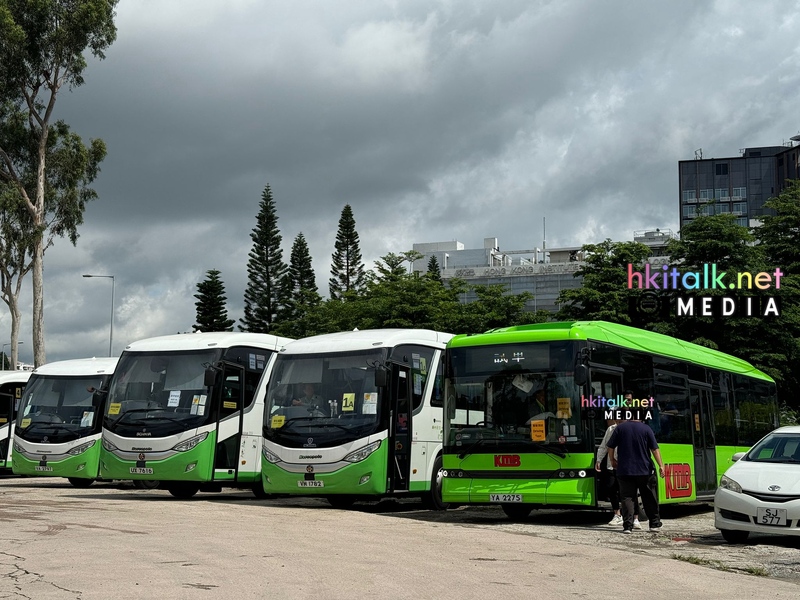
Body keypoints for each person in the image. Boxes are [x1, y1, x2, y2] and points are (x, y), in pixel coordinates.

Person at [606, 404, 666, 534]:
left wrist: (612, 460)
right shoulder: (646, 429)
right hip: (644, 470)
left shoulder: (620, 428)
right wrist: (661, 465)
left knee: (627, 497)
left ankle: (628, 526)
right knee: (649, 497)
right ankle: (654, 524)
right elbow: (654, 449)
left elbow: (610, 447)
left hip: (624, 470)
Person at [596, 415, 643, 529]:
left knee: (631, 492)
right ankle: (617, 514)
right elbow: (604, 446)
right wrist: (599, 460)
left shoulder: (631, 429)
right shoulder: (611, 429)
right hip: (612, 465)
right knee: (612, 488)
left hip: (627, 465)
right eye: (618, 419)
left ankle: (635, 518)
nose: (619, 421)